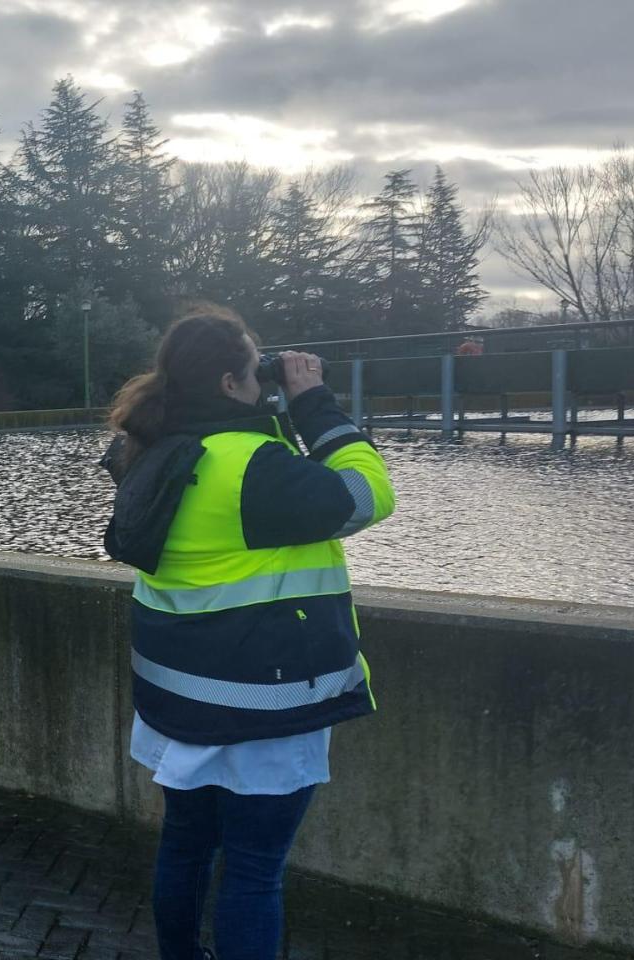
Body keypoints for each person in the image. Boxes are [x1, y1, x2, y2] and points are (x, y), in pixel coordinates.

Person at [102, 304, 395, 960]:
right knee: (255, 871)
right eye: (253, 366)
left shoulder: (147, 452)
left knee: (184, 846)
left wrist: (271, 406)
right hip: (263, 710)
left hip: (178, 703)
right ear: (233, 384)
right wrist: (312, 400)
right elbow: (368, 493)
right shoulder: (251, 466)